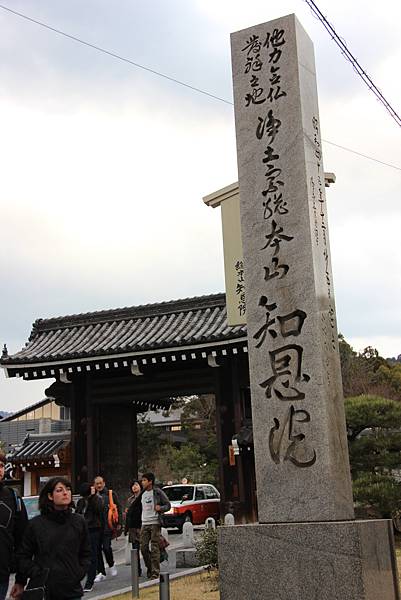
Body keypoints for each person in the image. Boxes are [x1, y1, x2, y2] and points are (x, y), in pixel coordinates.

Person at [18, 476, 91, 600]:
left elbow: (86, 552)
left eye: (68, 489)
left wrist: (78, 572)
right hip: (45, 589)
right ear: (50, 496)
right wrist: (37, 572)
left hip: (71, 588)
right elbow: (23, 556)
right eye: (59, 490)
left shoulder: (79, 521)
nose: (65, 493)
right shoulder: (36, 525)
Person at [0, 452, 28, 600]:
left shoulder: (12, 497)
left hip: (2, 573)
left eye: (1, 466)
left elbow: (23, 540)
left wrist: (21, 579)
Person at [140, 472, 171, 580]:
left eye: (144, 480)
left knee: (154, 547)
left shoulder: (157, 492)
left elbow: (168, 505)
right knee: (143, 547)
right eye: (142, 480)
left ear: (150, 481)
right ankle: (150, 567)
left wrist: (160, 508)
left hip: (155, 523)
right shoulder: (142, 493)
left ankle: (155, 572)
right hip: (144, 523)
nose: (142, 482)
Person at [76, 482, 104, 593]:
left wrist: (92, 497)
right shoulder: (81, 502)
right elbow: (78, 513)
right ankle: (85, 576)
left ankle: (90, 581)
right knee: (81, 555)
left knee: (92, 555)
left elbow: (99, 511)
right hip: (82, 530)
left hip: (94, 530)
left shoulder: (96, 500)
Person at [93, 475, 121, 579]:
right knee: (97, 550)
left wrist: (119, 523)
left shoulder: (110, 493)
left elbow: (118, 507)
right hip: (95, 527)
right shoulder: (93, 496)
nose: (99, 485)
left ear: (104, 483)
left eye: (100, 483)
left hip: (107, 526)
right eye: (97, 483)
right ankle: (101, 572)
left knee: (106, 547)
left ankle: (111, 564)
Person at [124, 480, 143, 576]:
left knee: (145, 549)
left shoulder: (144, 497)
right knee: (135, 549)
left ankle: (150, 566)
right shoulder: (129, 500)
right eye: (133, 486)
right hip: (133, 527)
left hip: (142, 525)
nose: (134, 487)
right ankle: (137, 569)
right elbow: (127, 515)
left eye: (136, 485)